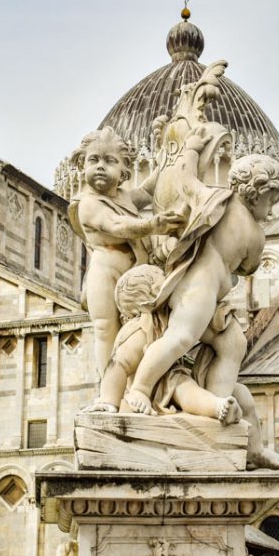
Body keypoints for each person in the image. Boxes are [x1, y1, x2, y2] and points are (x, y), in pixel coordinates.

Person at [124, 154, 279, 424]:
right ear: (256, 193)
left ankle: (216, 402)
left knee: (234, 344)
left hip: (215, 299)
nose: (270, 211)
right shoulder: (233, 215)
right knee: (180, 338)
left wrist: (191, 153)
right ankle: (140, 388)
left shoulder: (216, 201)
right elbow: (248, 267)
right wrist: (193, 148)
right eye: (271, 201)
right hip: (197, 287)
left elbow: (186, 180)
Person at [88, 264, 279, 470]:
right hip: (163, 387)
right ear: (146, 300)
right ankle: (217, 407)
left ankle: (255, 451)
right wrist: (109, 401)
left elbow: (213, 335)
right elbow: (118, 364)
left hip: (185, 372)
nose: (169, 282)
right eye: (161, 282)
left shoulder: (180, 315)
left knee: (243, 395)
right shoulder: (141, 330)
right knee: (183, 386)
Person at [67, 128, 184, 375]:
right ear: (82, 164)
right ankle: (107, 389)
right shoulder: (87, 204)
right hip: (106, 274)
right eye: (94, 160)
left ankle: (133, 382)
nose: (100, 166)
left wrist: (166, 154)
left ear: (124, 171)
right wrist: (152, 224)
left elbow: (147, 191)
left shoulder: (124, 196)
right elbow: (118, 226)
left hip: (132, 276)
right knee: (106, 330)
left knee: (138, 331)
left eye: (110, 161)